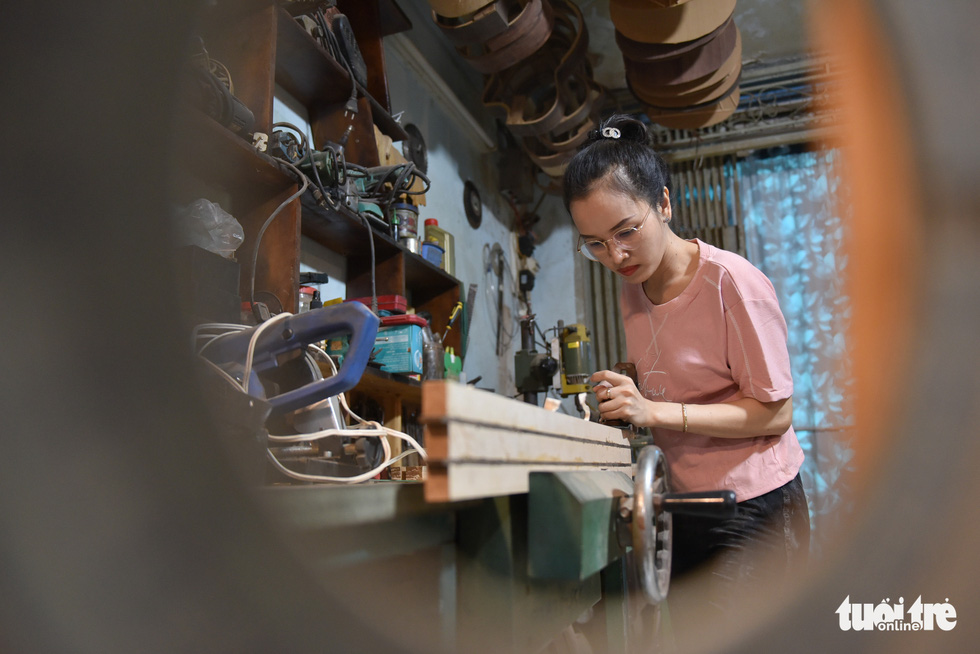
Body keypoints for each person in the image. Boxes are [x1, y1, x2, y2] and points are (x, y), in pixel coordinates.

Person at [563, 115, 810, 630]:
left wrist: (653, 410)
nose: (616, 255)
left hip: (753, 505)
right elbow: (670, 363)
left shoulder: (732, 284)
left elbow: (776, 413)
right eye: (595, 244)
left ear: (665, 205)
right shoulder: (635, 283)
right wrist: (626, 384)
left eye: (626, 231)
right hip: (686, 500)